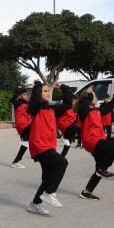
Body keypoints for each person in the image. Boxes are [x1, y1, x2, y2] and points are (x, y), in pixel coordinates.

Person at [26, 82, 68, 215]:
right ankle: (49, 193)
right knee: (62, 162)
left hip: (49, 146)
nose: (48, 93)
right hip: (39, 146)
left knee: (48, 177)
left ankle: (35, 204)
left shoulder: (52, 110)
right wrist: (38, 85)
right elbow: (36, 101)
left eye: (48, 91)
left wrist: (63, 87)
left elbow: (68, 103)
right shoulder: (35, 108)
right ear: (38, 93)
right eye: (44, 91)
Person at [76, 87, 114, 200]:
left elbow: (111, 104)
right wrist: (89, 95)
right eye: (94, 96)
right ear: (88, 99)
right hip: (91, 141)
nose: (96, 98)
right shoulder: (83, 111)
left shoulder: (98, 110)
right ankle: (103, 169)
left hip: (99, 141)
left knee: (99, 170)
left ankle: (86, 192)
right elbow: (84, 106)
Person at [10, 86, 31, 168]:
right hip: (23, 125)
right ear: (20, 95)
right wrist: (17, 90)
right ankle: (15, 162)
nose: (26, 95)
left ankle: (16, 161)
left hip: (26, 125)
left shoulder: (27, 103)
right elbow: (12, 99)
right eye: (24, 94)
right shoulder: (17, 103)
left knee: (25, 144)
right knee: (26, 142)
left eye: (26, 94)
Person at [54, 84, 77, 158]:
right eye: (74, 102)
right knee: (76, 128)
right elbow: (68, 96)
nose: (74, 104)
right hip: (64, 125)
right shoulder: (64, 106)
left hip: (67, 126)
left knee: (68, 144)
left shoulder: (71, 109)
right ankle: (65, 137)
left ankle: (62, 157)